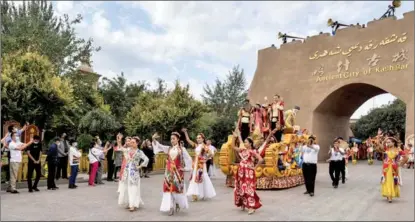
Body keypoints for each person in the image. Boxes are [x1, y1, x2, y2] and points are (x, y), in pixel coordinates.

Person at [152, 132, 193, 216]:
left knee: (176, 189)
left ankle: (177, 203)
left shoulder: (182, 149)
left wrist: (185, 168)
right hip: (169, 172)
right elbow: (159, 146)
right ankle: (170, 207)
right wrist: (153, 139)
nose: (172, 140)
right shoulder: (169, 148)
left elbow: (188, 159)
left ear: (178, 139)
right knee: (168, 189)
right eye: (171, 139)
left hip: (178, 173)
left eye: (174, 138)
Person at [231, 127, 263, 215]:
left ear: (250, 143)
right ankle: (244, 203)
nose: (244, 143)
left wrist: (254, 168)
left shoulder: (252, 152)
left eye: (246, 142)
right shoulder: (242, 150)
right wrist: (234, 137)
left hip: (249, 173)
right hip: (241, 172)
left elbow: (260, 160)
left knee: (249, 189)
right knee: (241, 187)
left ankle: (252, 207)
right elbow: (233, 146)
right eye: (244, 142)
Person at [116, 134, 149, 212]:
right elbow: (120, 148)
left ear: (137, 143)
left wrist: (140, 166)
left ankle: (133, 205)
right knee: (127, 187)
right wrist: (119, 140)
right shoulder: (128, 150)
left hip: (134, 172)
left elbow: (146, 159)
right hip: (127, 171)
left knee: (133, 188)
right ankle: (129, 203)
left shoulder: (139, 152)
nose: (131, 143)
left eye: (133, 142)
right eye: (131, 142)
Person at [182, 129, 217, 202]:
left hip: (201, 164)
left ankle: (202, 193)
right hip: (195, 164)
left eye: (199, 138)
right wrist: (185, 132)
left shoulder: (204, 146)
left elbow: (211, 154)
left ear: (203, 139)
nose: (198, 139)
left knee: (201, 177)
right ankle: (195, 195)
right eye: (197, 138)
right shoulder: (196, 145)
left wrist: (205, 159)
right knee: (194, 177)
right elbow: (188, 140)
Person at [379, 137, 408, 203]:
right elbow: (379, 146)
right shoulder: (386, 148)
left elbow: (406, 157)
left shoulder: (398, 149)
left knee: (392, 181)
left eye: (389, 142)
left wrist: (401, 163)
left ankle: (390, 196)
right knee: (386, 180)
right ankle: (388, 194)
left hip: (394, 168)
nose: (387, 143)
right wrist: (382, 138)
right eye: (387, 142)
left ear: (393, 142)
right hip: (386, 167)